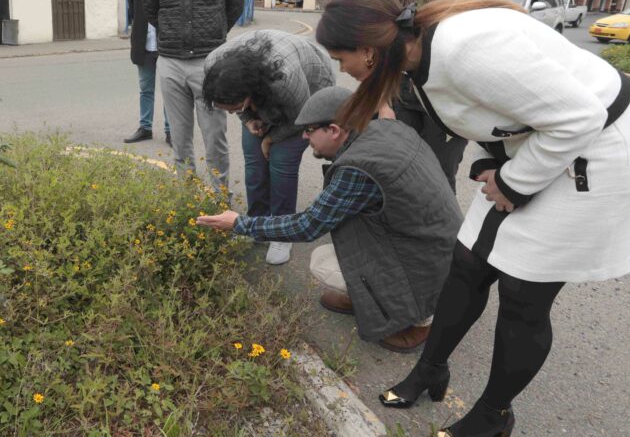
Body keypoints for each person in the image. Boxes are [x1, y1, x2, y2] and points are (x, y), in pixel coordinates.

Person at [315, 0, 630, 437]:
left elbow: (580, 118)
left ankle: (494, 413)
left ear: (369, 50)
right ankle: (430, 370)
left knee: (523, 295)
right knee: (467, 264)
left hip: (598, 153)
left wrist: (513, 182)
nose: (343, 70)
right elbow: (492, 110)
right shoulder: (417, 54)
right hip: (542, 145)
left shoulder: (463, 49)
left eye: (341, 59)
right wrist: (491, 162)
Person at [196, 85, 462, 353]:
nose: (304, 137)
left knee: (323, 261)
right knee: (347, 235)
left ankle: (421, 319)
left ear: (334, 130)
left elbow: (307, 226)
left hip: (431, 265)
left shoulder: (359, 167)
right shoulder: (385, 129)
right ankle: (368, 297)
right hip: (440, 245)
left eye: (309, 130)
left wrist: (239, 223)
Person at [350, 0, 494, 190]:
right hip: (398, 92)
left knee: (436, 178)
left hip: (449, 98)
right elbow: (375, 53)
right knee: (395, 171)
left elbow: (493, 47)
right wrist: (383, 105)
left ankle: (440, 222)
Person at [202, 30, 335, 265]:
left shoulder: (285, 79)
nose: (231, 113)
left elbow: (300, 119)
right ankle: (255, 223)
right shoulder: (214, 66)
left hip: (306, 92)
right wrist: (248, 119)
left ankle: (282, 233)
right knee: (254, 163)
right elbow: (237, 107)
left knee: (281, 163)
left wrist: (270, 139)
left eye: (234, 108)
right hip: (259, 87)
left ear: (248, 94)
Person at [142, 0, 244, 192]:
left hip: (209, 62)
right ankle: (186, 198)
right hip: (170, 63)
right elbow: (151, 11)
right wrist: (173, 34)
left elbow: (235, 4)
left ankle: (219, 198)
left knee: (214, 137)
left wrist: (211, 34)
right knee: (179, 138)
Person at [124, 0, 170, 146]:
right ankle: (145, 128)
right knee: (146, 89)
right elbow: (133, 12)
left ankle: (171, 131)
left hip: (167, 46)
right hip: (144, 46)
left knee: (170, 91)